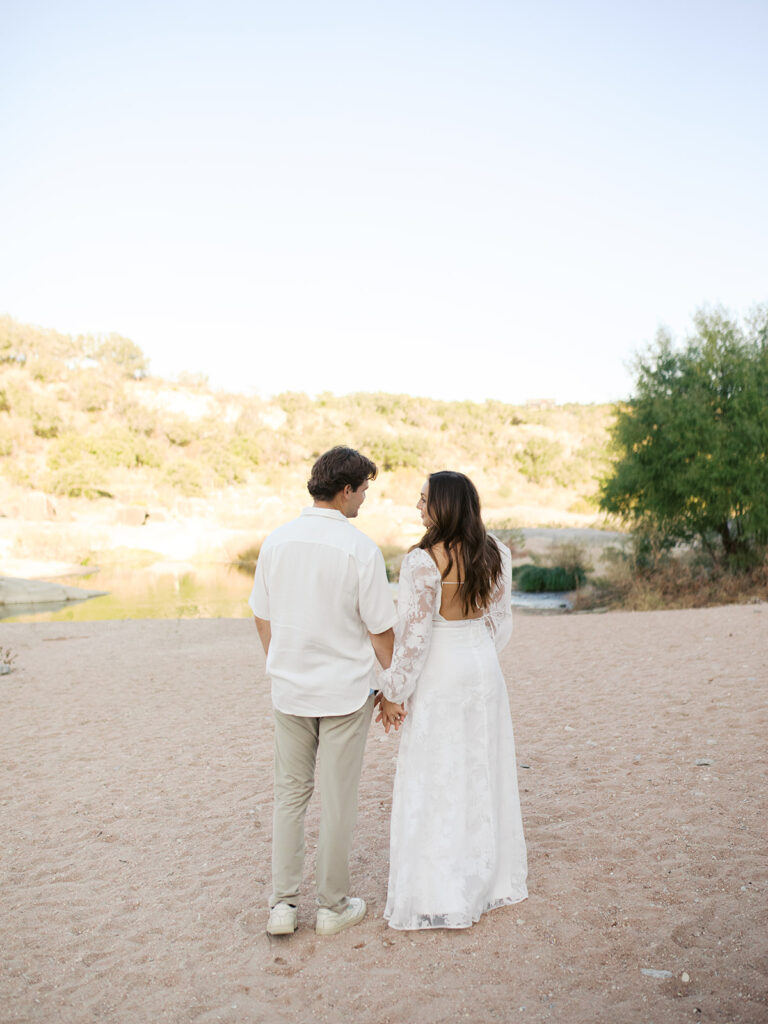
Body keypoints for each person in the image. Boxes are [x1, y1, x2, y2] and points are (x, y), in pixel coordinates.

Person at [249, 446, 397, 936]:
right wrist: (395, 683)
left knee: (289, 797)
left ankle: (283, 907)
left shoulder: (276, 541)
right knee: (337, 799)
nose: (364, 502)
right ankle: (332, 907)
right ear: (346, 489)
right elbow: (380, 629)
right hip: (344, 693)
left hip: (289, 691)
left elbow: (262, 616)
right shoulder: (359, 548)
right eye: (364, 491)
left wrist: (281, 661)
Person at [377, 470, 528, 930]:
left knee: (436, 770)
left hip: (442, 670)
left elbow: (415, 639)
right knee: (482, 766)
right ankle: (491, 880)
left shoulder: (423, 562)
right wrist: (476, 650)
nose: (417, 507)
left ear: (443, 505)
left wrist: (392, 691)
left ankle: (439, 889)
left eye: (424, 500)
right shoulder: (496, 550)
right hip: (482, 667)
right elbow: (500, 621)